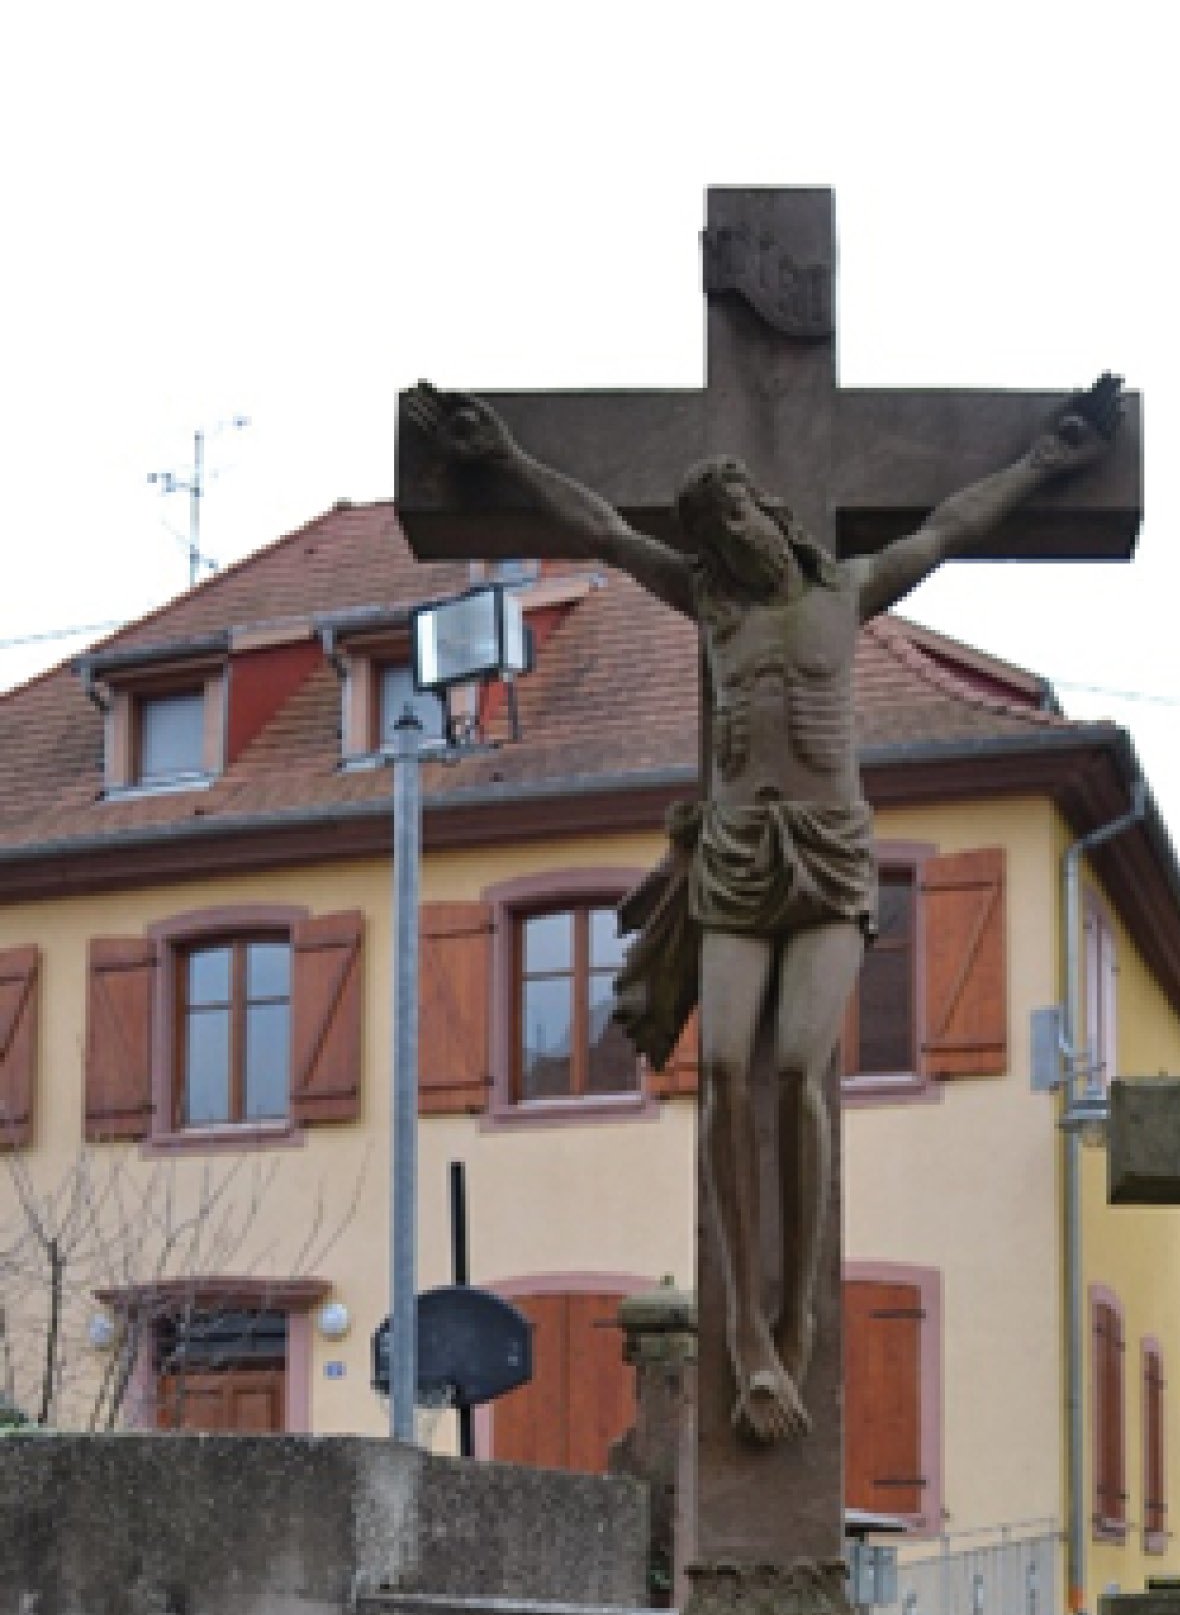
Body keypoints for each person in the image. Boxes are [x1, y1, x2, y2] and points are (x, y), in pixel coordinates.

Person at [404, 376, 1122, 1443]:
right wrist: (503, 459)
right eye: (712, 532)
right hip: (738, 854)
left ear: (771, 516)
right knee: (727, 1072)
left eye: (737, 516)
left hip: (828, 854)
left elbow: (949, 527)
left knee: (794, 1070)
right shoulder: (713, 610)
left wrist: (1046, 463)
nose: (730, 540)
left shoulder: (848, 592)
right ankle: (744, 1323)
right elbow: (601, 532)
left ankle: (797, 1319)